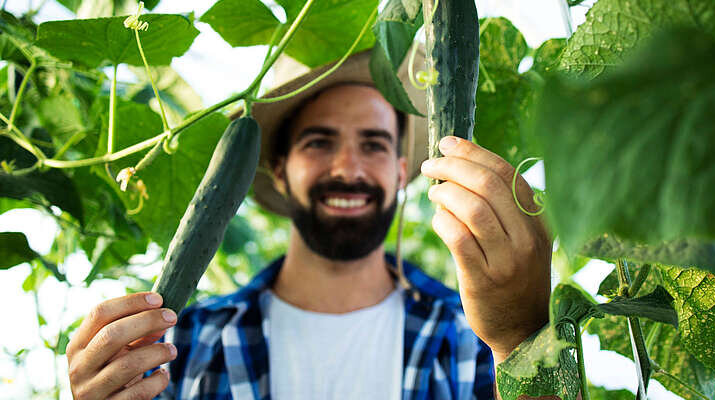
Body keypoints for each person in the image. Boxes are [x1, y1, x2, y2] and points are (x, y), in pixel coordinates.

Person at [65, 49, 552, 400]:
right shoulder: (180, 346)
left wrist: (520, 338)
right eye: (319, 142)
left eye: (374, 144)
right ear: (279, 168)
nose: (348, 168)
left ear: (402, 170)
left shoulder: (472, 339)